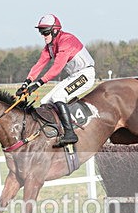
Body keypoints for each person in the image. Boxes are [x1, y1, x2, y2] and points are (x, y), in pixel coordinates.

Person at [16, 14, 96, 147]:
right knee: (45, 101)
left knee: (59, 96)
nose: (43, 35)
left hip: (85, 74)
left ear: (55, 30)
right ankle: (56, 133)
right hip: (74, 76)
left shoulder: (66, 41)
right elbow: (39, 64)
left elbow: (57, 67)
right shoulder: (50, 46)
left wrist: (38, 84)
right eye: (41, 32)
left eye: (45, 32)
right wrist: (26, 83)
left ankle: (70, 133)